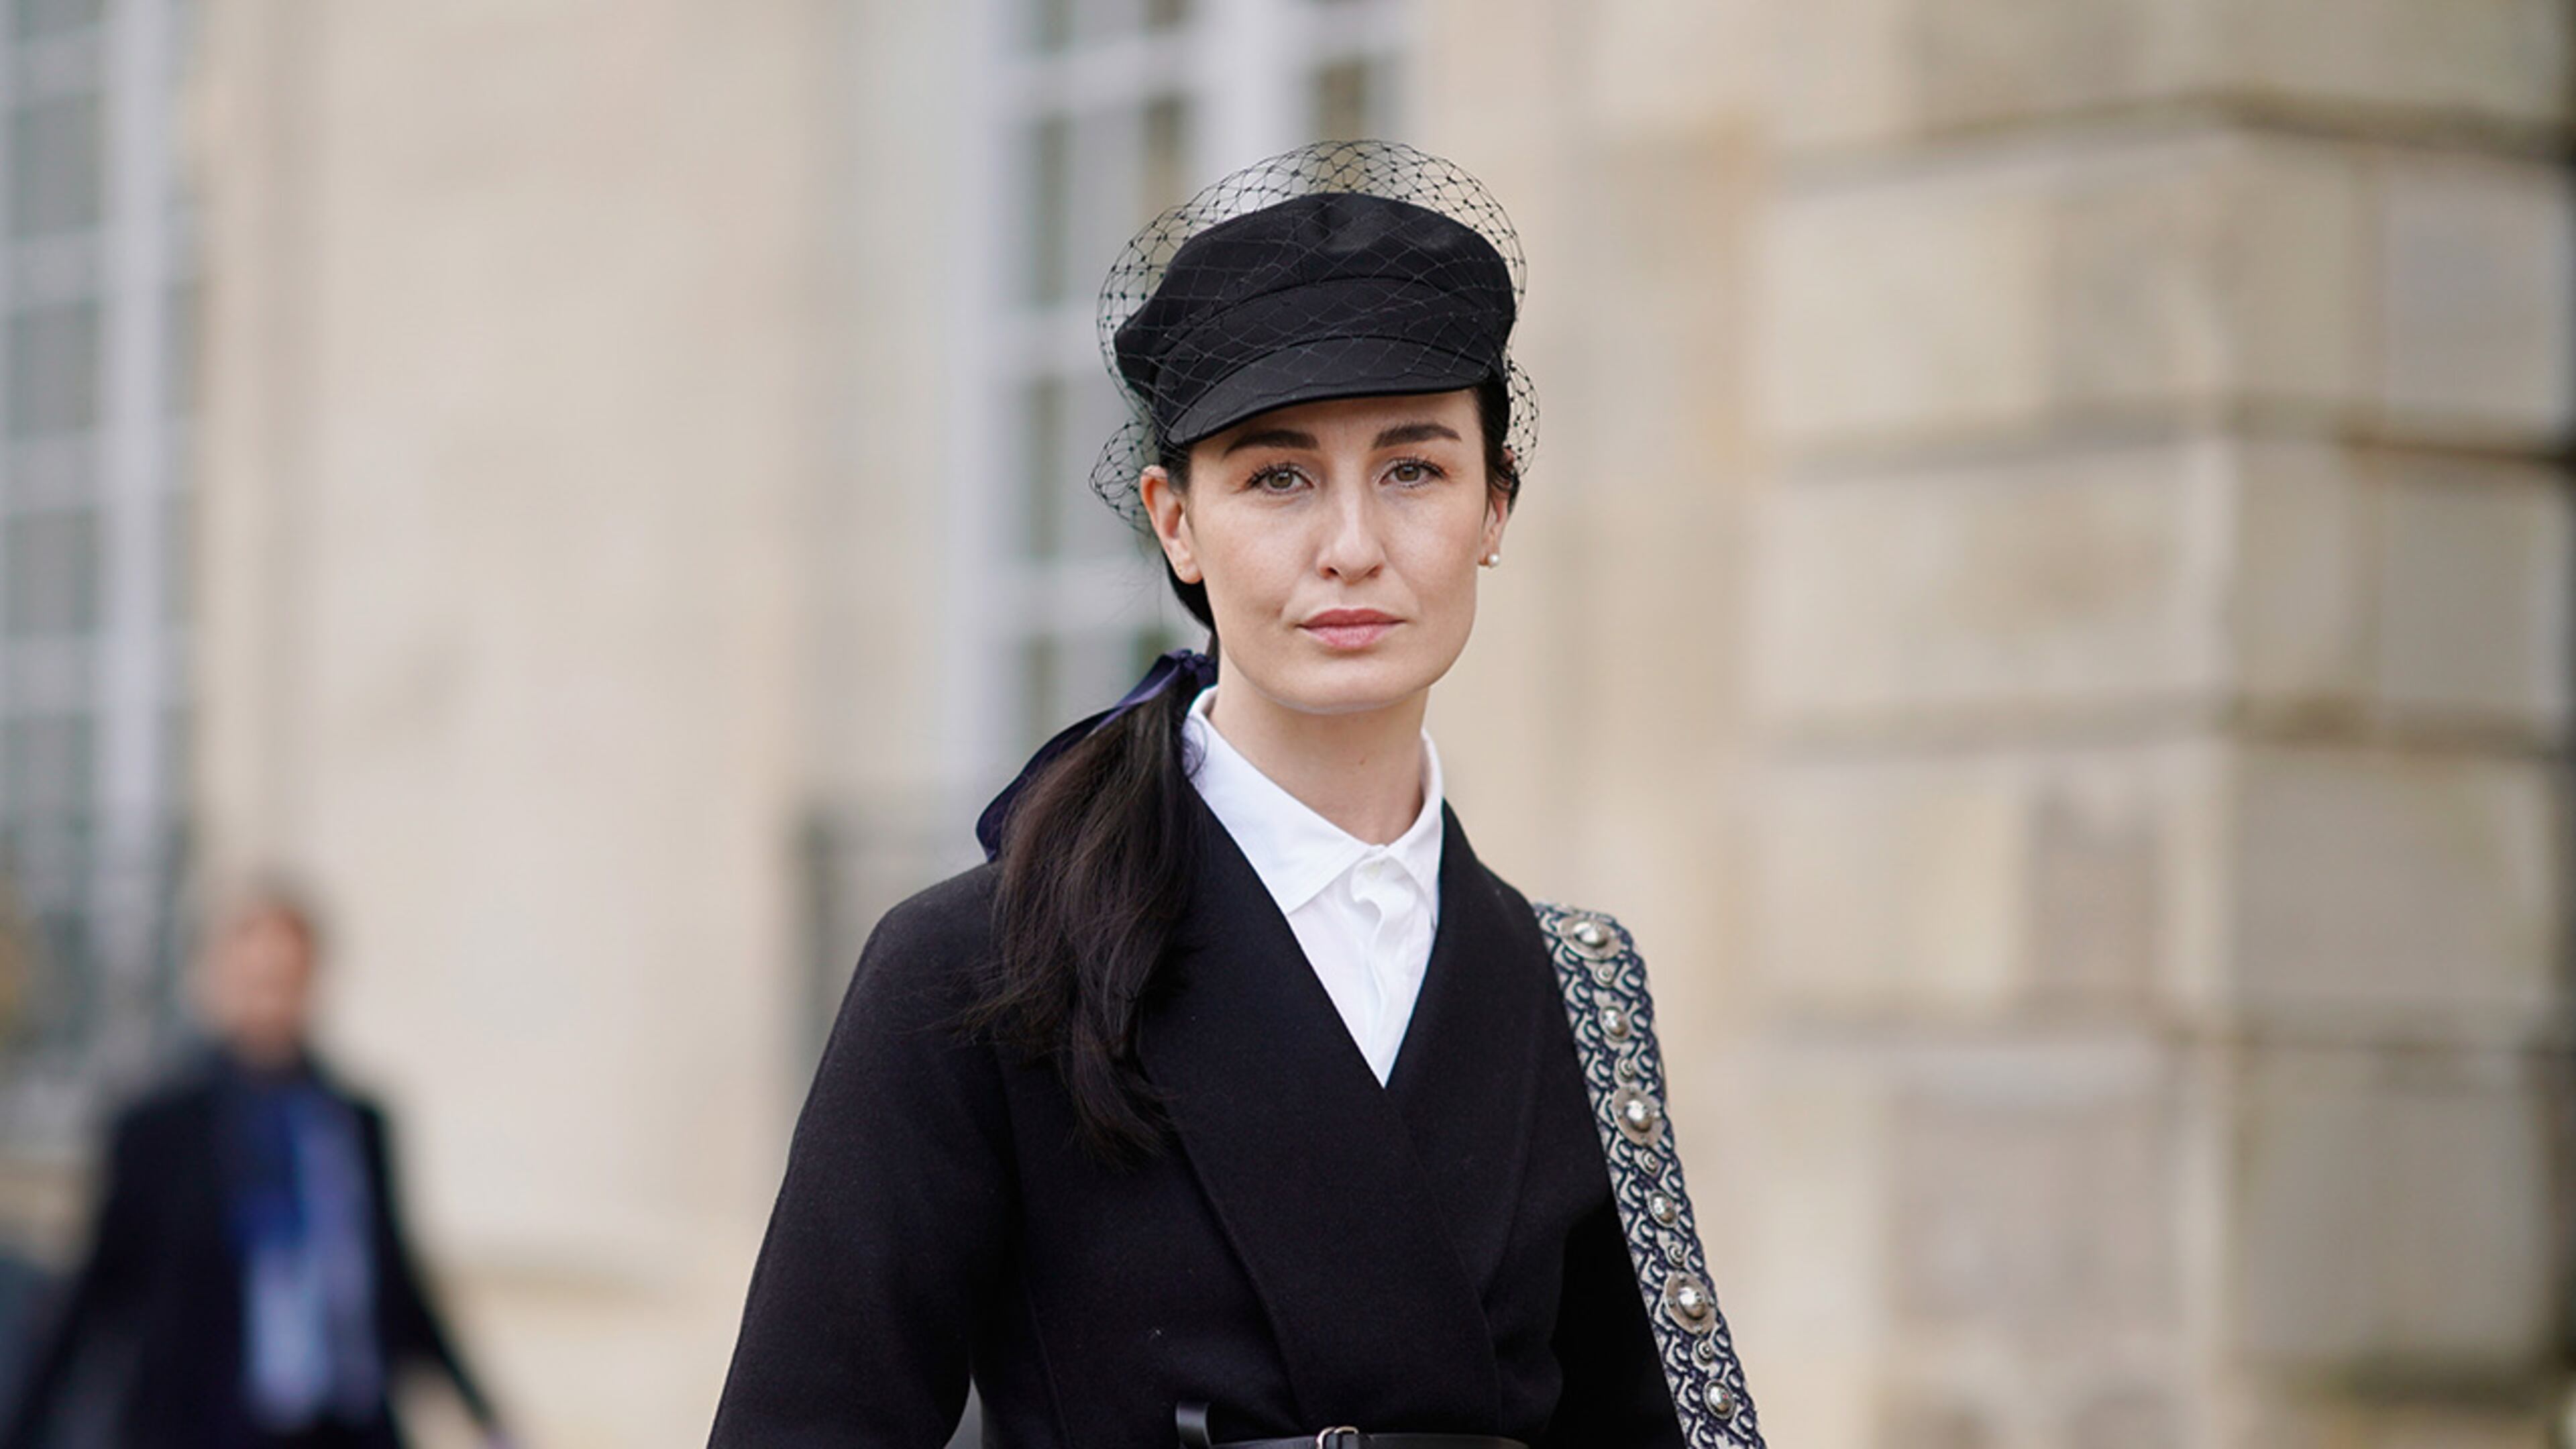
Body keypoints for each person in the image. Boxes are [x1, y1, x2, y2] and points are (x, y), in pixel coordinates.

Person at [712, 142, 1758, 1448]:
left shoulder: (1574, 989)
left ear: (1497, 503)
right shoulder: (970, 967)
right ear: (1175, 522)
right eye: (1277, 477)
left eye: (1414, 468)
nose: (1352, 546)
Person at [1, 885, 508, 1449]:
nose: (270, 999)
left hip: (342, 1425)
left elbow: (398, 1285)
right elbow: (96, 1291)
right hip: (209, 1426)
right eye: (256, 980)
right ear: (220, 980)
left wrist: (483, 1412)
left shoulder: (354, 1123)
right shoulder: (162, 1128)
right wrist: (25, 1427)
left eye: (285, 980)